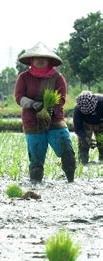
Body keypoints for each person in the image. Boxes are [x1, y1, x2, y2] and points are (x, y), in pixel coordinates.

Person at [14, 42, 76, 183]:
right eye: (36, 58)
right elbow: (19, 97)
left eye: (44, 58)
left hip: (55, 120)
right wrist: (32, 104)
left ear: (50, 61)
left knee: (66, 150)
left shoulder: (58, 78)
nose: (40, 60)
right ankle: (36, 182)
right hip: (32, 121)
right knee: (36, 157)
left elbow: (61, 98)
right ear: (31, 60)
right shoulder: (24, 77)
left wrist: (49, 109)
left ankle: (71, 179)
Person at [73, 91, 103, 164]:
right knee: (84, 143)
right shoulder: (77, 110)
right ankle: (83, 161)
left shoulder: (101, 102)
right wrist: (86, 138)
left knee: (102, 142)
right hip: (86, 124)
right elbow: (78, 128)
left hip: (101, 122)